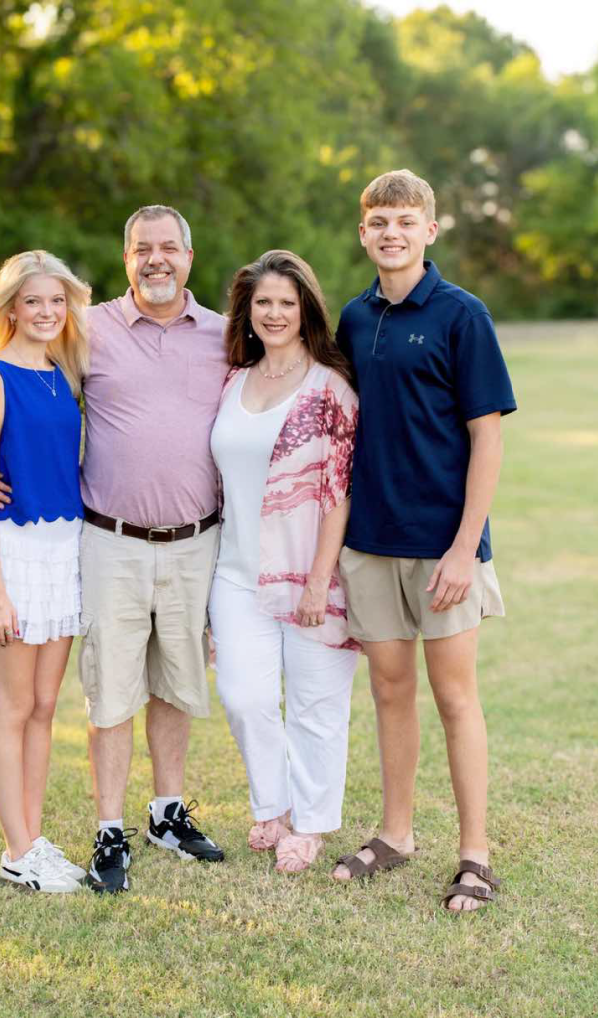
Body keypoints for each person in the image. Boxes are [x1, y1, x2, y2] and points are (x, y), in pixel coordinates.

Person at [0, 207, 228, 894]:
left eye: (168, 248)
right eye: (141, 249)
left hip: (195, 541)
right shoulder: (86, 330)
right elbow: (20, 381)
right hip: (109, 540)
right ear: (126, 259)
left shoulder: (223, 334)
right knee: (111, 690)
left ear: (189, 254)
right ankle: (108, 827)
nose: (156, 260)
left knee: (177, 681)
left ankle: (166, 812)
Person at [331, 170, 517, 910]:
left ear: (430, 231)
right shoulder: (353, 317)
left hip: (445, 546)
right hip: (371, 541)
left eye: (405, 221)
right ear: (364, 232)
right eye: (378, 221)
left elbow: (487, 439)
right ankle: (397, 834)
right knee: (388, 690)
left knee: (455, 697)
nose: (391, 233)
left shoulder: (461, 315)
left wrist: (465, 547)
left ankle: (475, 855)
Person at [208, 250, 360, 873]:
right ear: (247, 311)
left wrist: (320, 580)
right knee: (244, 697)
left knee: (316, 706)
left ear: (306, 312)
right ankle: (270, 802)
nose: (273, 313)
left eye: (286, 303)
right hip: (237, 571)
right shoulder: (232, 381)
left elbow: (340, 492)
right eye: (262, 302)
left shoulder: (330, 390)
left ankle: (311, 821)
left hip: (310, 575)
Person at [0, 250, 91, 892]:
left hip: (64, 550)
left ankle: (34, 841)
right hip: (13, 555)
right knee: (12, 705)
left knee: (44, 706)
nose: (46, 312)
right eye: (33, 301)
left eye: (56, 301)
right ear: (10, 307)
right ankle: (17, 852)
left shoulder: (62, 373)